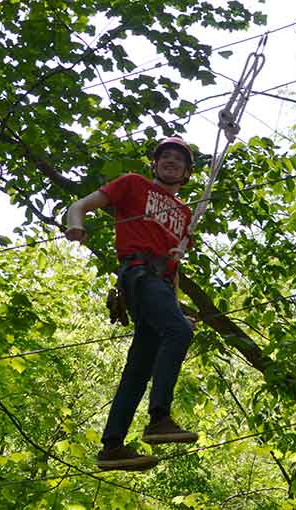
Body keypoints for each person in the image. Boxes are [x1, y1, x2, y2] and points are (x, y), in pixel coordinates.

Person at [65, 137, 199, 471]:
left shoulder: (184, 214)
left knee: (139, 368)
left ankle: (112, 446)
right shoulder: (133, 184)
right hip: (139, 274)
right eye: (165, 157)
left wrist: (177, 305)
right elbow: (79, 205)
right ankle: (159, 418)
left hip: (161, 287)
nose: (171, 161)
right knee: (178, 333)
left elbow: (174, 269)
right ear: (154, 164)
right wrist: (75, 225)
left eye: (178, 160)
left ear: (185, 173)